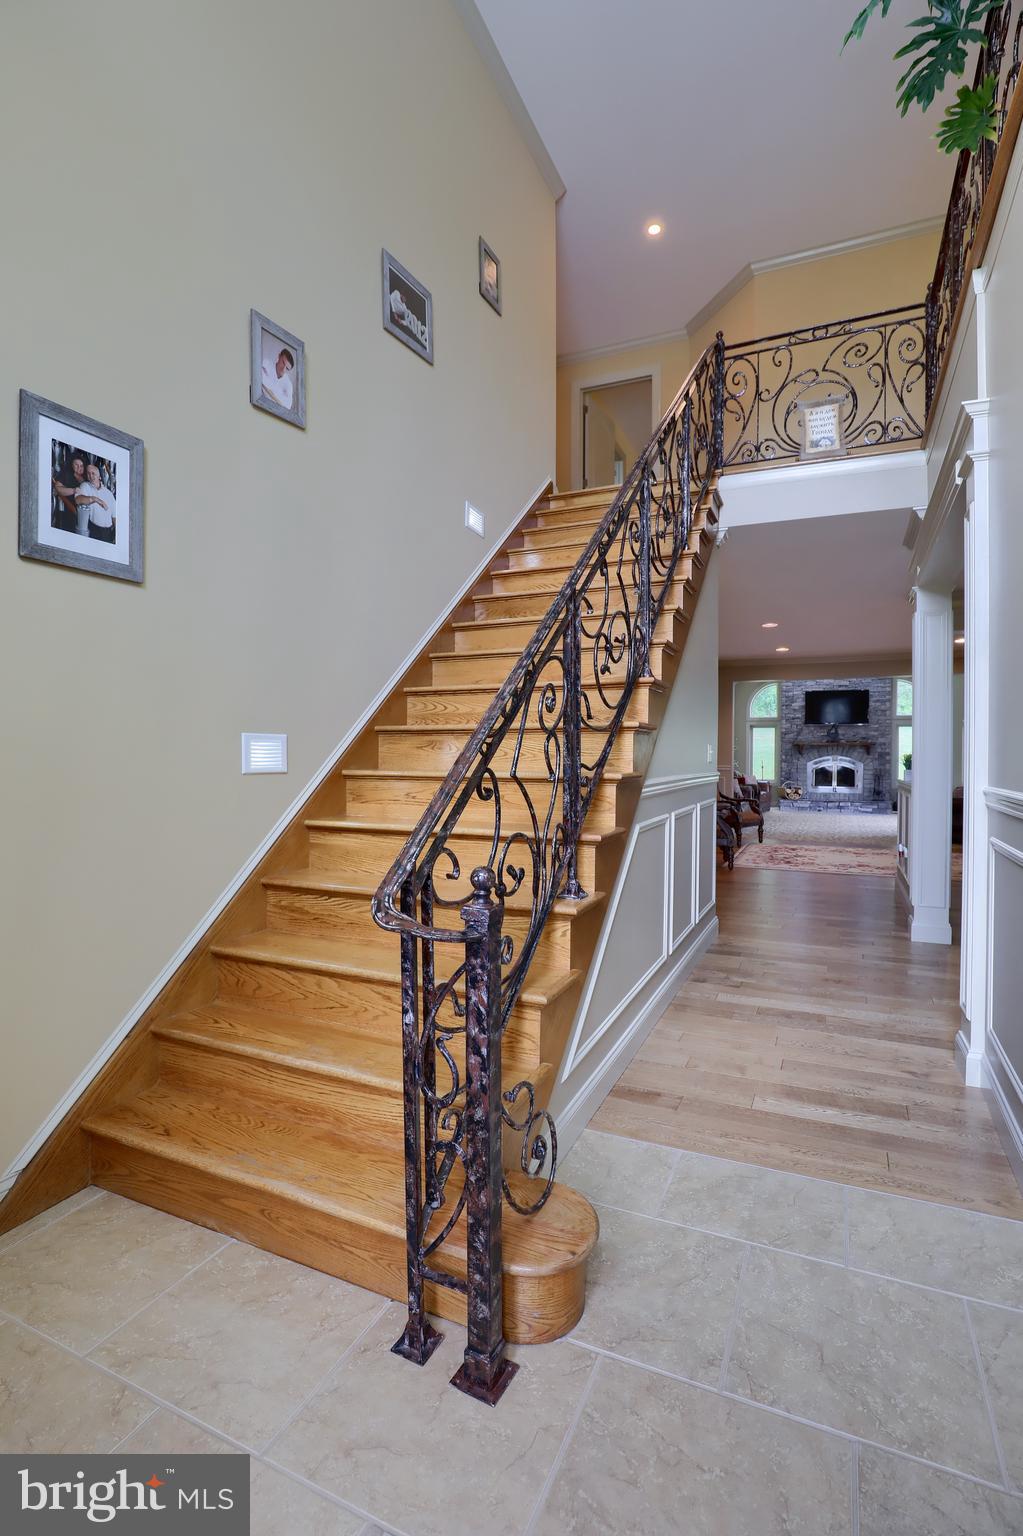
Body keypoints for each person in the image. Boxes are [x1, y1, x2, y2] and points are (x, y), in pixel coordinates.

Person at [75, 462, 116, 543]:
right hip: (94, 530)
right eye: (88, 473)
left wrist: (117, 535)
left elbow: (114, 517)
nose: (91, 476)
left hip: (108, 533)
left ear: (99, 476)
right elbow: (78, 500)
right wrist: (95, 499)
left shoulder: (109, 493)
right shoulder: (85, 486)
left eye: (93, 473)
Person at [52, 452, 86, 532]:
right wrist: (74, 490)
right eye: (76, 465)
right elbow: (58, 488)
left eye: (81, 466)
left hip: (83, 514)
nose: (79, 467)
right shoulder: (66, 474)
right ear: (72, 465)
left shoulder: (86, 477)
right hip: (67, 511)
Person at [261, 344, 295, 410]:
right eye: (283, 363)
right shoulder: (266, 363)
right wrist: (280, 393)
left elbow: (287, 406)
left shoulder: (288, 384)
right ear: (279, 356)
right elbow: (259, 378)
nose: (283, 369)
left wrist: (267, 387)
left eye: (287, 368)